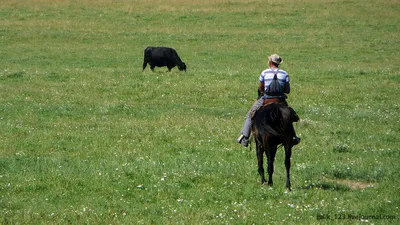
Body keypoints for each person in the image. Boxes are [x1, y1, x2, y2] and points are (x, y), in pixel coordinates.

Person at [237, 54, 300, 147]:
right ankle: (293, 137)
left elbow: (261, 88)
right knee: (289, 116)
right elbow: (287, 90)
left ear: (270, 62)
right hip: (280, 100)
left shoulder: (264, 73)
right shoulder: (284, 73)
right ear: (278, 63)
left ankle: (245, 137)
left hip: (267, 99)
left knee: (251, 113)